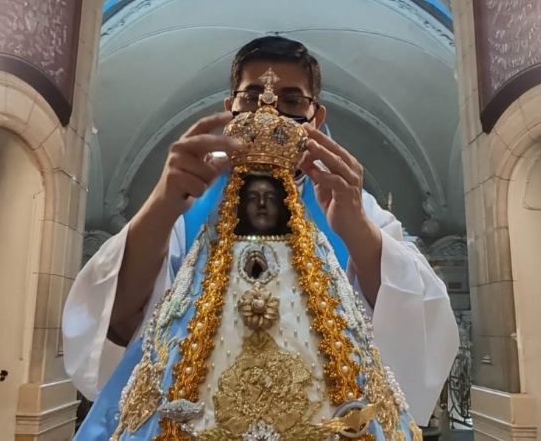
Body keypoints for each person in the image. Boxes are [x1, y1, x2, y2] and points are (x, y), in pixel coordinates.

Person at [63, 36, 459, 440]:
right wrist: (163, 204)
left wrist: (357, 229)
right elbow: (118, 316)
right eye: (252, 97)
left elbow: (419, 314)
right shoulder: (192, 197)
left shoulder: (349, 201)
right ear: (229, 108)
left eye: (292, 101)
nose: (269, 110)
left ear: (315, 116)